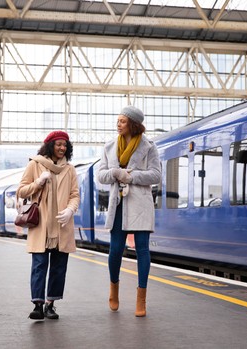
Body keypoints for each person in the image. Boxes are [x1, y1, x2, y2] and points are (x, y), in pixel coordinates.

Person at [96, 105, 161, 317]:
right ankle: (113, 288)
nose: (118, 124)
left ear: (133, 124)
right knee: (115, 250)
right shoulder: (109, 147)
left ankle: (141, 299)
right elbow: (101, 175)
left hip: (140, 203)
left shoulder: (149, 147)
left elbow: (156, 175)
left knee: (142, 249)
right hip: (118, 203)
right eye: (118, 121)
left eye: (122, 121)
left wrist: (131, 177)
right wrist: (115, 172)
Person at [17, 130, 80, 320]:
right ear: (50, 145)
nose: (62, 148)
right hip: (41, 225)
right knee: (39, 265)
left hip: (62, 224)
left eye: (65, 145)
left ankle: (51, 305)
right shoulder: (34, 164)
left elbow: (74, 195)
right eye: (58, 144)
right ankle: (38, 304)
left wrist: (70, 210)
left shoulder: (70, 169)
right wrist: (38, 182)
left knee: (59, 267)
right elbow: (21, 191)